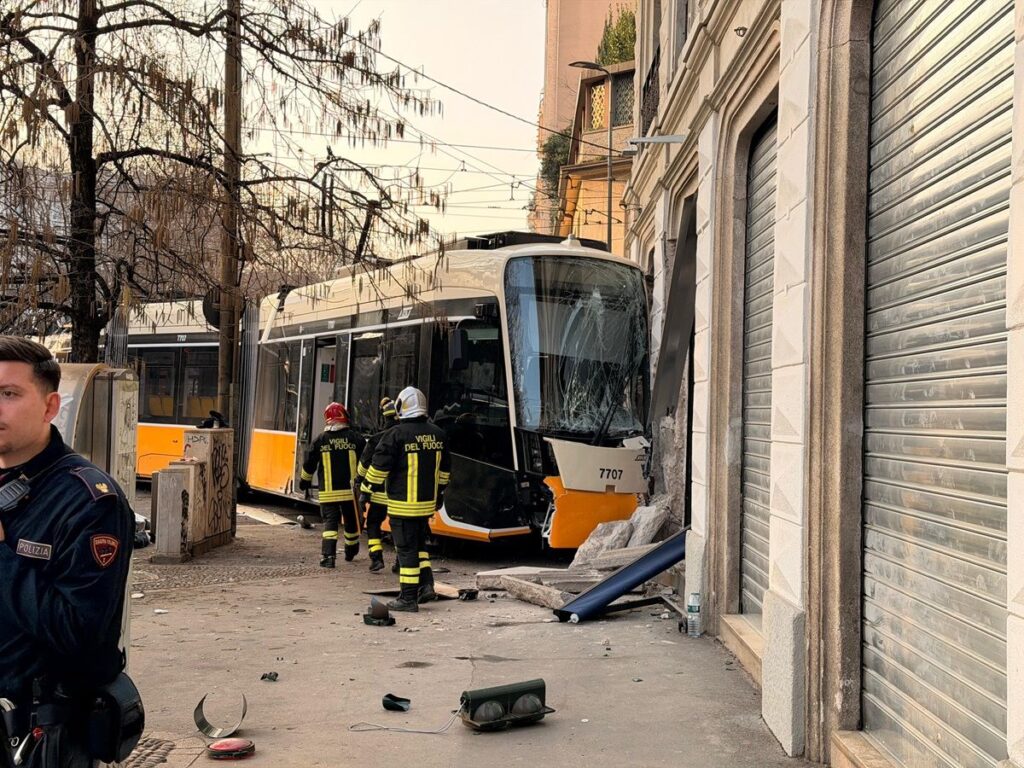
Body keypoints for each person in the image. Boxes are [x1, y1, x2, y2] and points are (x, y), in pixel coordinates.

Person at [0, 336, 136, 767]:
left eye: (8, 394)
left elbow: (79, 633)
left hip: (43, 736)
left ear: (50, 407)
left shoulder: (89, 501)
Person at [359, 386, 450, 612]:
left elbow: (379, 467)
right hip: (426, 504)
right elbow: (445, 471)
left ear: (401, 407)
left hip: (403, 505)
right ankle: (426, 586)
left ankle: (408, 598)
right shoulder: (439, 434)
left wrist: (366, 490)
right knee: (418, 546)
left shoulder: (396, 434)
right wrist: (439, 493)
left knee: (406, 550)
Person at [299, 402, 365, 568]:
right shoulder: (355, 438)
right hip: (350, 492)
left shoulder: (320, 440)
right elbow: (365, 460)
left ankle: (328, 557)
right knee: (351, 521)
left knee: (330, 523)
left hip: (328, 493)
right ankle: (351, 550)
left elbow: (309, 464)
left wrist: (304, 481)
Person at [354, 397, 398, 572]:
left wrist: (359, 481)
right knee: (398, 528)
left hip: (378, 494)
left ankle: (376, 557)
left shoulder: (376, 439)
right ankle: (400, 561)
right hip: (398, 495)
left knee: (373, 524)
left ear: (384, 417)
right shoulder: (405, 437)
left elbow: (364, 465)